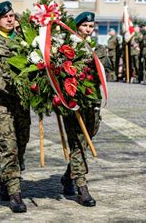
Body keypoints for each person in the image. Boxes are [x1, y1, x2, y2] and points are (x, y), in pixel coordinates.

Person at [0, 1, 31, 213]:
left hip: (22, 105)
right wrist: (17, 87)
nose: (10, 19)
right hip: (2, 105)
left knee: (21, 145)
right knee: (8, 148)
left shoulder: (25, 41)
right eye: (6, 17)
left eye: (12, 16)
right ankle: (15, 194)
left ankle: (4, 181)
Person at [60, 11, 104, 207]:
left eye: (91, 26)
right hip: (73, 101)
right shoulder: (68, 47)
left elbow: (105, 69)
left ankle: (68, 176)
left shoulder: (96, 47)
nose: (88, 29)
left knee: (88, 137)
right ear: (77, 26)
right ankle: (82, 187)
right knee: (78, 141)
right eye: (85, 26)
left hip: (92, 102)